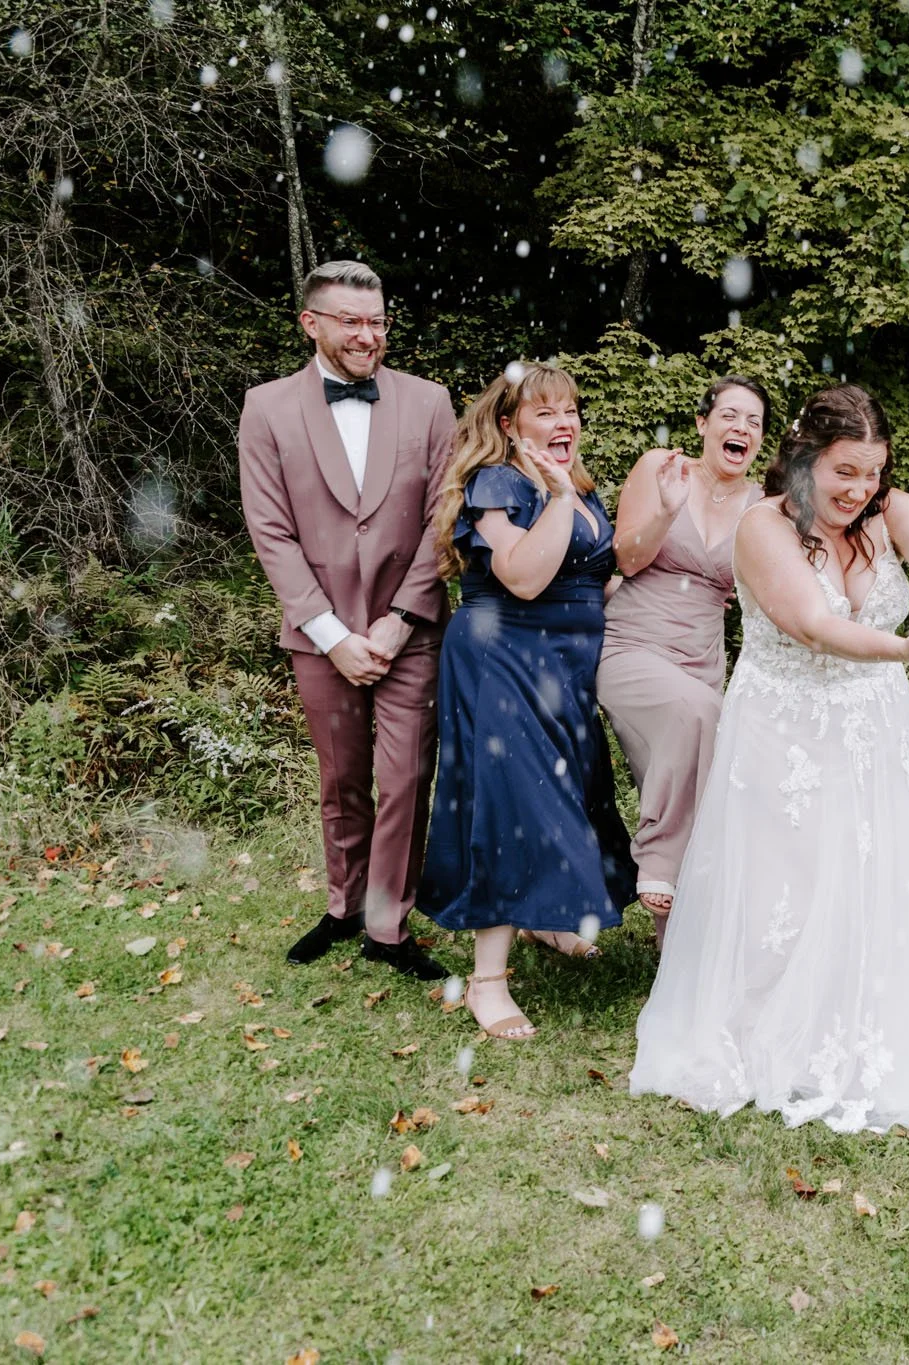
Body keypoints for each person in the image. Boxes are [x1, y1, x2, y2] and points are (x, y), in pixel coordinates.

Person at [628, 384, 909, 1132]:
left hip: (874, 729)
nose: (860, 489)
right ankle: (760, 1030)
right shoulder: (763, 526)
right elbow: (814, 626)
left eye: (873, 472)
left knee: (868, 875)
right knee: (785, 882)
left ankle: (857, 1021)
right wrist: (907, 650)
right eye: (845, 471)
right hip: (781, 730)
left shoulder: (891, 511)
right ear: (806, 456)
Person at [418, 362, 651, 1041]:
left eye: (571, 409)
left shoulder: (580, 488)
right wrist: (552, 498)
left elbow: (596, 577)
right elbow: (521, 577)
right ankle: (488, 980)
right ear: (508, 423)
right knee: (510, 804)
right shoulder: (502, 484)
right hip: (503, 656)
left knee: (566, 793)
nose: (564, 423)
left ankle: (547, 918)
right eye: (545, 412)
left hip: (565, 667)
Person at [237, 259, 449, 981]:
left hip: (410, 628)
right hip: (318, 635)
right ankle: (344, 904)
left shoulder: (430, 403)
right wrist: (331, 634)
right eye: (352, 322)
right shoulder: (266, 408)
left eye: (378, 322)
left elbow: (439, 524)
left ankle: (389, 924)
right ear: (312, 323)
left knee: (408, 773)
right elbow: (271, 530)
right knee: (342, 778)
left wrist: (396, 622)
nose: (368, 335)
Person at [597, 376, 769, 940]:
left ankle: (680, 952)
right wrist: (668, 511)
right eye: (730, 416)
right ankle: (660, 859)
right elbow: (626, 556)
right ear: (702, 424)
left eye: (754, 422)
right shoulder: (661, 469)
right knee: (699, 715)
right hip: (632, 646)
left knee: (692, 783)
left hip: (701, 658)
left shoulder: (763, 506)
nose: (741, 428)